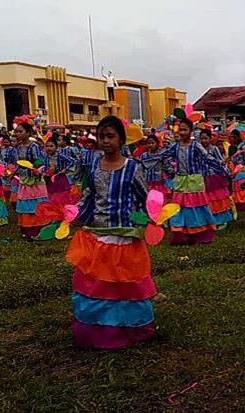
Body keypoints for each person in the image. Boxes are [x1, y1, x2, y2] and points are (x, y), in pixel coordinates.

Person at [66, 115, 157, 349]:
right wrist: (74, 215)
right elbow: (89, 197)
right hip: (97, 233)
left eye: (110, 136)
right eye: (101, 136)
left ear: (121, 140)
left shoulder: (132, 168)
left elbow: (144, 197)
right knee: (97, 286)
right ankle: (98, 330)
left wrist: (152, 220)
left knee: (125, 284)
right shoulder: (95, 168)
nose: (105, 141)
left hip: (124, 235)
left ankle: (129, 329)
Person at [158, 116, 221, 245]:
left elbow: (208, 158)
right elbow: (162, 156)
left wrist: (222, 169)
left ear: (191, 131)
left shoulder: (196, 146)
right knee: (179, 207)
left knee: (194, 206)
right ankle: (181, 234)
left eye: (184, 130)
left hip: (194, 180)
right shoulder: (175, 147)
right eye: (180, 130)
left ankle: (198, 233)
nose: (182, 132)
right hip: (180, 180)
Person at [12, 115, 50, 238]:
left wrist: (37, 170)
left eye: (20, 131)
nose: (18, 134)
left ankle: (38, 228)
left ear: (28, 132)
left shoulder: (34, 147)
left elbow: (40, 162)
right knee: (25, 204)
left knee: (36, 204)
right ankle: (27, 229)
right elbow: (19, 164)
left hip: (35, 181)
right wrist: (12, 173)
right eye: (16, 132)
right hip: (23, 181)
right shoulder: (17, 148)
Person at [199, 129, 233, 230]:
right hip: (203, 177)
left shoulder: (214, 149)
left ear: (210, 139)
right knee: (206, 199)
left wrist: (224, 166)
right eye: (202, 139)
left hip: (214, 176)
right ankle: (209, 220)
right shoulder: (198, 149)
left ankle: (221, 220)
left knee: (218, 198)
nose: (204, 141)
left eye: (206, 138)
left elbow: (220, 160)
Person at [42, 139, 78, 205]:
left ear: (56, 147)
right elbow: (45, 167)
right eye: (47, 146)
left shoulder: (60, 155)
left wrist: (65, 169)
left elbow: (72, 161)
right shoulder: (46, 157)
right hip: (50, 180)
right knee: (51, 197)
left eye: (51, 146)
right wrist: (44, 173)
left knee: (61, 197)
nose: (49, 148)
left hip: (60, 178)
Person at [227, 130, 245, 212]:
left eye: (233, 137)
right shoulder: (231, 147)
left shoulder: (242, 146)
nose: (231, 139)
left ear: (237, 138)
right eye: (230, 137)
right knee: (237, 187)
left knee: (243, 187)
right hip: (235, 169)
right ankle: (239, 204)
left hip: (243, 169)